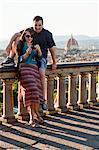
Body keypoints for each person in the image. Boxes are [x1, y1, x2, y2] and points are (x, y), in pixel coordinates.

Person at [1, 15, 57, 103]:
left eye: (39, 25)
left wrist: (54, 62)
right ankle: (10, 58)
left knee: (42, 73)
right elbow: (16, 34)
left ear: (42, 24)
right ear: (33, 24)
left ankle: (43, 98)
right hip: (28, 57)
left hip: (41, 57)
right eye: (36, 25)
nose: (37, 27)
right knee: (16, 39)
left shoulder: (47, 34)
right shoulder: (29, 31)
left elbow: (52, 49)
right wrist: (9, 45)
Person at [18, 28, 44, 127]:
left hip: (34, 69)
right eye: (28, 36)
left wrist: (39, 51)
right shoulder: (21, 45)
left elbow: (39, 59)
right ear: (24, 36)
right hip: (24, 68)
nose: (30, 38)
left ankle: (34, 116)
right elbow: (20, 59)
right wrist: (27, 53)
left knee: (35, 91)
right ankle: (33, 116)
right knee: (31, 89)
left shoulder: (34, 46)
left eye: (32, 36)